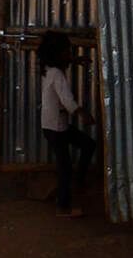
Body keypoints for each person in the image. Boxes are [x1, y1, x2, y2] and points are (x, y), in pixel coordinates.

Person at [33, 31, 94, 213]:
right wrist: (83, 114)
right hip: (56, 128)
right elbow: (67, 101)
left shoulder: (48, 69)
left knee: (88, 145)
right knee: (66, 166)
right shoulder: (57, 74)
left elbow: (61, 62)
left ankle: (78, 184)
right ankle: (64, 204)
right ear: (58, 54)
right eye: (67, 51)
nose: (69, 54)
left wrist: (75, 60)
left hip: (54, 126)